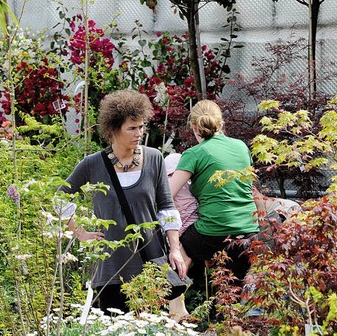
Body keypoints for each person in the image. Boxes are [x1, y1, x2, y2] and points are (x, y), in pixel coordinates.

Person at [59, 89, 188, 316]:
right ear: (113, 130)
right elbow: (59, 198)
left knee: (148, 333)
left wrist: (175, 249)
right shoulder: (93, 164)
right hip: (110, 266)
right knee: (115, 334)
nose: (139, 133)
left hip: (149, 265)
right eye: (132, 128)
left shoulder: (154, 159)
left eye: (141, 126)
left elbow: (167, 208)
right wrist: (79, 233)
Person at [168, 99, 259, 283]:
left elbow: (167, 195)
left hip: (212, 232)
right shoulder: (241, 146)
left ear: (193, 126)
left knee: (176, 245)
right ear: (221, 122)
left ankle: (173, 302)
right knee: (232, 289)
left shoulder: (193, 154)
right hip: (249, 230)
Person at [164, 152, 198, 267]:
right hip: (195, 217)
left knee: (170, 236)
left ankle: (184, 258)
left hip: (181, 219)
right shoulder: (190, 182)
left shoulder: (169, 183)